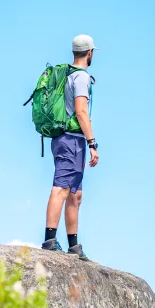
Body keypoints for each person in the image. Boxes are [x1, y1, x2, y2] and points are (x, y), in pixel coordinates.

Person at [40, 34, 100, 260]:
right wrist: (92, 143)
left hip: (65, 139)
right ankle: (49, 241)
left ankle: (74, 246)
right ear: (90, 52)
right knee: (62, 188)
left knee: (75, 193)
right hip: (71, 140)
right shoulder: (81, 77)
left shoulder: (66, 74)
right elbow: (81, 111)